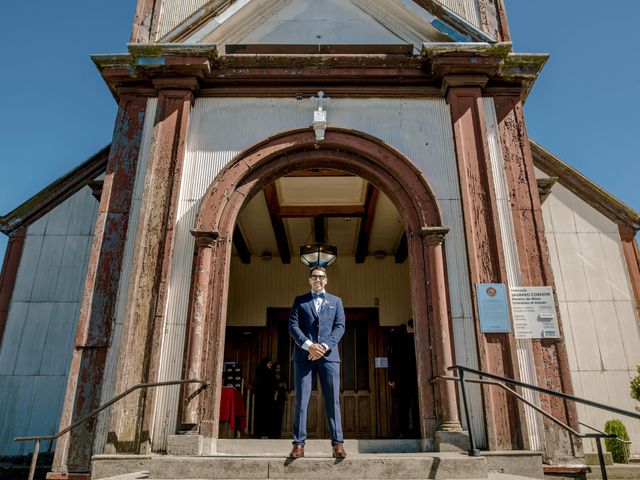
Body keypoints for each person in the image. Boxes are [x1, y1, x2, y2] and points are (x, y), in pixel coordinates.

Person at [288, 266, 346, 459]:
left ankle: (337, 443)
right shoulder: (300, 301)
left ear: (326, 280)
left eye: (321, 277)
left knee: (333, 400)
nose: (318, 280)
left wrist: (322, 347)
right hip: (304, 357)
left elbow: (340, 327)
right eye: (314, 277)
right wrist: (309, 346)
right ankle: (298, 444)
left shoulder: (336, 301)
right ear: (309, 280)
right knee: (302, 400)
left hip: (329, 357)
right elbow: (293, 325)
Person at [388, 319, 419, 438]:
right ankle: (416, 430)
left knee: (403, 406)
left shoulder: (399, 341)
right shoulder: (418, 340)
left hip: (402, 378)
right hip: (415, 378)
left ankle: (403, 431)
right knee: (415, 405)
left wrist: (391, 378)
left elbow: (394, 359)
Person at [254, 356, 275, 438]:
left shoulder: (270, 372)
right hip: (262, 398)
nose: (271, 365)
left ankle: (266, 433)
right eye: (269, 363)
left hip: (268, 398)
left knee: (268, 416)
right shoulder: (262, 372)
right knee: (261, 415)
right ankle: (261, 433)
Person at [270, 361, 288, 439]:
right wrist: (277, 385)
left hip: (281, 398)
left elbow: (287, 386)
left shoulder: (283, 376)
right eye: (277, 368)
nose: (278, 370)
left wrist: (284, 385)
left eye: (279, 368)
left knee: (279, 416)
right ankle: (272, 434)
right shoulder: (271, 375)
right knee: (273, 416)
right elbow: (270, 385)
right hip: (273, 399)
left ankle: (278, 435)